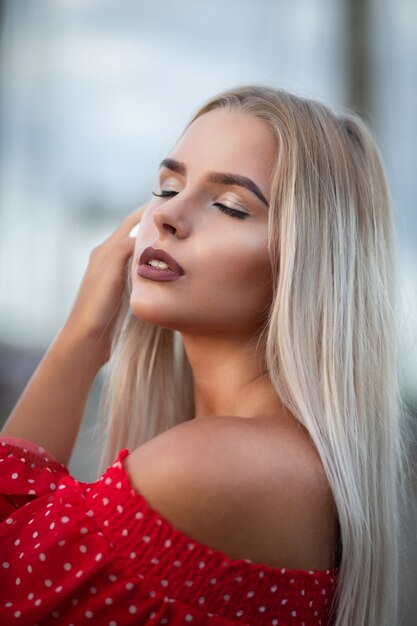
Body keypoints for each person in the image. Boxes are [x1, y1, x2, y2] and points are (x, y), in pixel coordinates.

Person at [0, 84, 409, 626]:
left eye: (229, 206)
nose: (167, 216)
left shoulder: (213, 466)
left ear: (305, 264)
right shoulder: (273, 459)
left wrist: (81, 336)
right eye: (166, 187)